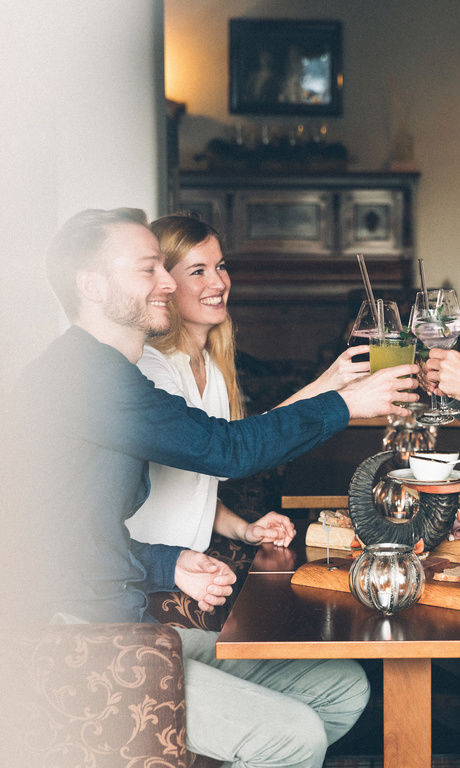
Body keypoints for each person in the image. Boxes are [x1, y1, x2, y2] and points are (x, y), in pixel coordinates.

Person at [3, 208, 420, 768]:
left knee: (341, 687)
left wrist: (165, 563)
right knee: (292, 735)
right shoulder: (84, 378)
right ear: (91, 285)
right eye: (151, 269)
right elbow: (225, 450)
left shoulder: (102, 373)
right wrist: (345, 404)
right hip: (84, 641)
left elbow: (68, 533)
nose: (171, 283)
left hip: (121, 617)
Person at [127, 213, 373, 554]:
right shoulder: (152, 367)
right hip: (156, 576)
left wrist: (244, 529)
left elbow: (210, 471)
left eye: (221, 266)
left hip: (190, 564)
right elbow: (231, 453)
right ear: (166, 285)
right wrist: (346, 402)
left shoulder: (211, 364)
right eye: (198, 271)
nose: (218, 283)